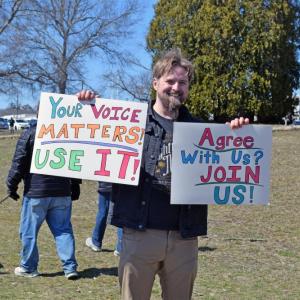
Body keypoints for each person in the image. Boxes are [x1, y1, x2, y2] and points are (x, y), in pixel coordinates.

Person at [77, 49, 249, 300]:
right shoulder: (126, 123)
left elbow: (224, 168)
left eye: (182, 82)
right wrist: (85, 108)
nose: (176, 87)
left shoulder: (202, 131)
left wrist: (238, 135)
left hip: (184, 238)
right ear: (155, 83)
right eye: (170, 81)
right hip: (138, 235)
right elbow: (86, 141)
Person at [6, 121, 81, 280]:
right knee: (63, 229)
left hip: (36, 192)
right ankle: (70, 267)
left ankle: (28, 267)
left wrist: (11, 185)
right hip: (62, 191)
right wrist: (75, 185)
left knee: (29, 231)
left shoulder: (30, 133)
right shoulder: (69, 133)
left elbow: (19, 161)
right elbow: (76, 159)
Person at [85, 182, 123, 256]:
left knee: (103, 212)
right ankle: (121, 248)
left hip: (106, 184)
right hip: (121, 184)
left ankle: (96, 242)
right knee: (121, 215)